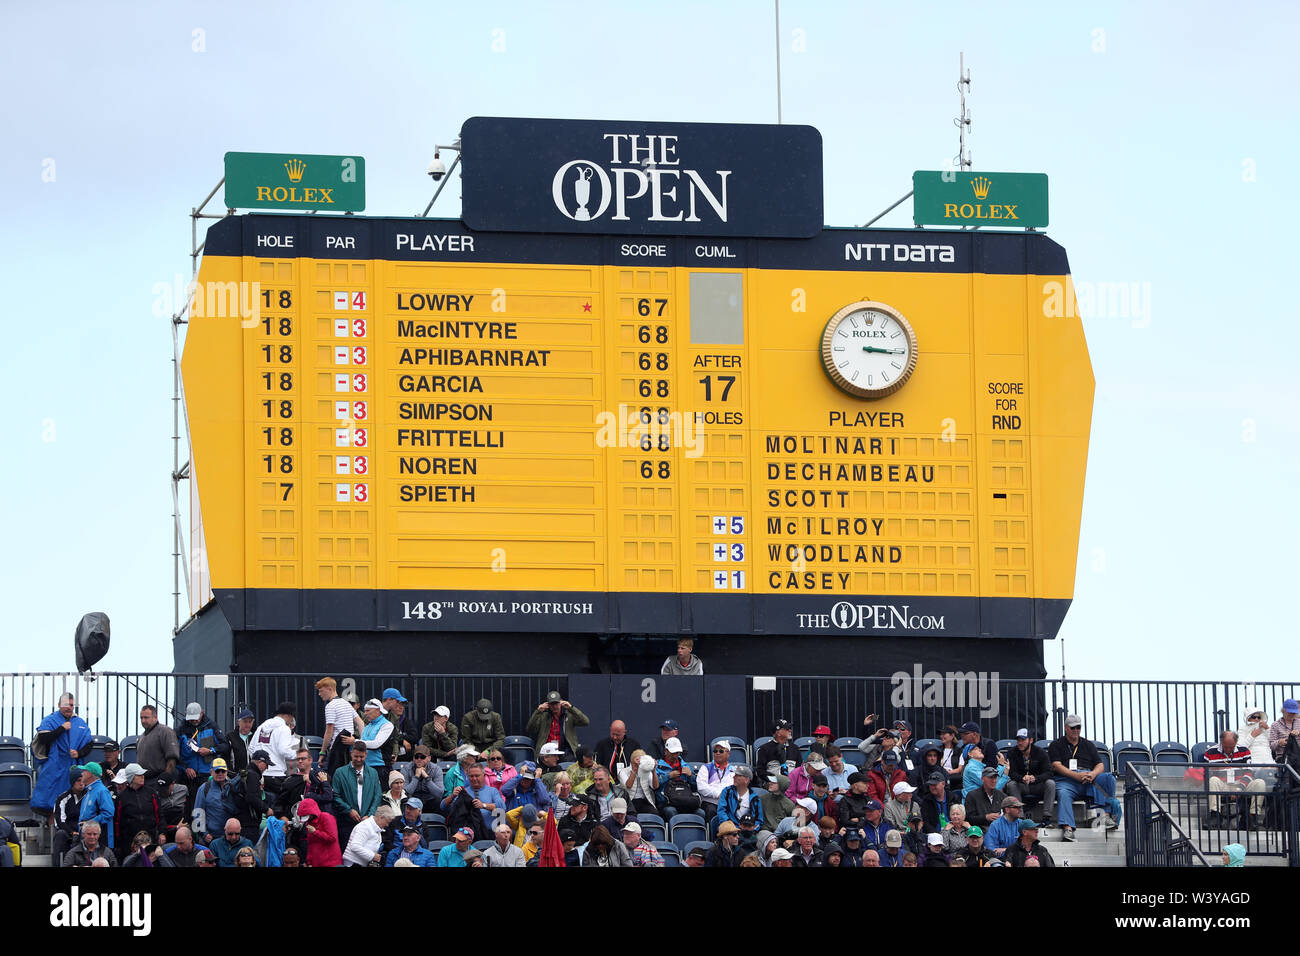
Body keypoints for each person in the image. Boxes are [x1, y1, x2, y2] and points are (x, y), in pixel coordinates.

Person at [1049, 714, 1120, 842]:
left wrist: (1092, 774)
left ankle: (1106, 816)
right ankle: (1068, 829)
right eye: (1073, 727)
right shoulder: (1056, 744)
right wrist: (1075, 775)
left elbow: (1100, 765)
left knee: (1108, 777)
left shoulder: (1088, 744)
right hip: (1066, 780)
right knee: (1063, 793)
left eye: (1078, 727)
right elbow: (1056, 765)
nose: (1076, 730)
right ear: (1066, 728)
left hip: (1088, 779)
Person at [32, 692, 92, 815]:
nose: (68, 707)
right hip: (53, 767)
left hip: (73, 768)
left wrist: (79, 753)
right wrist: (61, 729)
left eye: (71, 705)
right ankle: (53, 829)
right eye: (65, 704)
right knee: (51, 805)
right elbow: (43, 738)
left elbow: (89, 743)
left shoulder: (80, 722)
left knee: (73, 806)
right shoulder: (50, 720)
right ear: (59, 705)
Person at [1205, 729, 1269, 827]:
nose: (1228, 749)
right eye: (1225, 747)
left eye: (1231, 747)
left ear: (1236, 743)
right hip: (1223, 785)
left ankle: (1253, 816)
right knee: (1213, 781)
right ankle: (1215, 816)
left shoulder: (1244, 751)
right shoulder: (1210, 752)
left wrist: (1239, 788)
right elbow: (1207, 774)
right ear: (1221, 742)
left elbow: (1249, 772)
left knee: (1260, 783)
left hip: (1241, 784)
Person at [176, 701, 227, 807]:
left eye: (196, 717)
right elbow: (174, 755)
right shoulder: (180, 730)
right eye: (191, 718)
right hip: (188, 777)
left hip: (206, 775)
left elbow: (225, 746)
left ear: (202, 713)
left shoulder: (211, 726)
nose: (194, 720)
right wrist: (185, 769)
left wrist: (211, 750)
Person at [332, 740, 381, 850]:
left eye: (362, 757)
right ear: (351, 754)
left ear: (366, 755)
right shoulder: (340, 773)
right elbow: (336, 796)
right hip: (346, 823)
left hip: (367, 823)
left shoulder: (373, 773)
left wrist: (370, 814)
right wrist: (349, 810)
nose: (359, 759)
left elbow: (377, 796)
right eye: (356, 756)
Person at [1006, 728, 1056, 826]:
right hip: (1022, 785)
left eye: (1023, 740)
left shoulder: (1040, 752)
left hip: (1037, 785)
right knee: (1011, 784)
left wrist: (1035, 778)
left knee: (1050, 783)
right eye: (1018, 740)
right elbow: (1010, 772)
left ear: (1031, 740)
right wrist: (1021, 778)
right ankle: (1019, 818)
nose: (1020, 743)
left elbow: (1049, 772)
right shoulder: (1012, 752)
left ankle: (1047, 818)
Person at [525, 690, 589, 761]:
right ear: (548, 705)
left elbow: (585, 722)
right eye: (552, 704)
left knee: (568, 763)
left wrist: (571, 708)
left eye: (556, 703)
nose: (554, 706)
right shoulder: (543, 716)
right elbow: (530, 729)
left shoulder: (569, 715)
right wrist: (538, 711)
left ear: (561, 703)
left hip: (565, 752)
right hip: (548, 752)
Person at [113, 764, 159, 862]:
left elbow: (159, 814)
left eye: (142, 774)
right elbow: (117, 822)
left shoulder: (151, 793)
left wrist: (162, 832)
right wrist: (119, 843)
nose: (142, 776)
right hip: (129, 842)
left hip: (150, 838)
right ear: (131, 777)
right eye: (139, 774)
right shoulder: (121, 797)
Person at [249, 701, 299, 794]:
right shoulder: (284, 728)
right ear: (289, 715)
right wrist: (299, 754)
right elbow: (284, 750)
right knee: (280, 805)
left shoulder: (262, 726)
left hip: (259, 775)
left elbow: (251, 748)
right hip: (276, 774)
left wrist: (259, 764)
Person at [442, 760, 503, 831]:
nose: (474, 779)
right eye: (471, 776)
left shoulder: (492, 791)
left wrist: (483, 805)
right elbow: (443, 807)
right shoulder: (463, 792)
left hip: (489, 833)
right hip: (467, 835)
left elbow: (502, 807)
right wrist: (452, 796)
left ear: (484, 775)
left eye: (477, 776)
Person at [317, 677, 362, 773]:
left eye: (321, 691)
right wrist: (361, 742)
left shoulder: (330, 706)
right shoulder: (346, 704)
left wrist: (322, 752)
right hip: (349, 749)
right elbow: (360, 723)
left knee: (335, 780)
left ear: (330, 689)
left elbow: (329, 731)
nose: (319, 694)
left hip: (337, 751)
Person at [276, 748, 334, 818]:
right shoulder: (290, 780)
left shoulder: (322, 775)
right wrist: (282, 816)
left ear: (310, 760)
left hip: (319, 817)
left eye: (303, 759)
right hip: (296, 818)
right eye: (298, 759)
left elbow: (328, 796)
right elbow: (280, 802)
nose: (300, 761)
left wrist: (311, 782)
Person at [654, 737, 697, 817]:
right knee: (671, 811)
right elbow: (654, 786)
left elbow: (696, 787)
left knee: (700, 813)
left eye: (677, 752)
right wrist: (668, 776)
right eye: (673, 752)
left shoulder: (686, 766)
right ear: (666, 751)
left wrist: (691, 776)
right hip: (667, 803)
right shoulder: (657, 766)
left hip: (686, 801)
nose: (675, 755)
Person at [192, 757, 232, 844]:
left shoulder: (233, 787)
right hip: (212, 838)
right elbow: (198, 813)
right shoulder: (204, 789)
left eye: (223, 771)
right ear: (211, 772)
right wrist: (204, 834)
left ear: (227, 771)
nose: (220, 773)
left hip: (231, 836)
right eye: (217, 771)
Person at [136, 704, 180, 782]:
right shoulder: (141, 738)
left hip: (159, 779)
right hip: (145, 780)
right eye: (141, 718)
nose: (143, 721)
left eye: (146, 717)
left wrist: (164, 780)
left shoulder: (166, 732)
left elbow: (172, 759)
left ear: (155, 717)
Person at [77, 762, 116, 850]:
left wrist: (89, 824)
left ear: (91, 774)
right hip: (88, 839)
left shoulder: (101, 791)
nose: (82, 773)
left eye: (84, 771)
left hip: (100, 841)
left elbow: (108, 813)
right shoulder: (90, 791)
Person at [51, 768, 85, 867]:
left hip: (85, 830)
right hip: (68, 831)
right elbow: (59, 821)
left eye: (83, 780)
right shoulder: (62, 798)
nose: (81, 783)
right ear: (73, 782)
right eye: (78, 781)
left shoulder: (89, 796)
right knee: (60, 834)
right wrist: (72, 832)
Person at [716, 764, 763, 830]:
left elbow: (759, 820)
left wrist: (752, 829)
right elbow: (721, 812)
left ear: (747, 780)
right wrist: (731, 827)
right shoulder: (727, 792)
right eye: (735, 775)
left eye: (738, 776)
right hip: (729, 829)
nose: (734, 777)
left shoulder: (755, 798)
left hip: (748, 830)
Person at [298, 797, 341, 868]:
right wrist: (309, 862)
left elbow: (332, 838)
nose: (306, 818)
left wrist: (315, 832)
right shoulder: (309, 823)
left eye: (306, 815)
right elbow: (310, 844)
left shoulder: (326, 817)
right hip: (316, 862)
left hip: (330, 862)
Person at [697, 741, 736, 817]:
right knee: (712, 811)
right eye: (715, 751)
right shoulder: (706, 767)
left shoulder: (733, 770)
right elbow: (701, 787)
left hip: (728, 803)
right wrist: (718, 794)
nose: (717, 753)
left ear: (728, 754)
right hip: (710, 803)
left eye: (721, 751)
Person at [755, 718, 801, 783]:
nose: (790, 730)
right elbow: (760, 771)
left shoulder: (795, 748)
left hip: (792, 785)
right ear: (778, 733)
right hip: (772, 784)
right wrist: (773, 779)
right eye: (787, 729)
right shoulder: (765, 749)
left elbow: (799, 769)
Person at [381, 687, 416, 769]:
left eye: (402, 705)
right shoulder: (376, 712)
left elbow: (396, 737)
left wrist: (395, 753)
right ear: (389, 700)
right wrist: (403, 740)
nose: (400, 707)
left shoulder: (394, 717)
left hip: (389, 755)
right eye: (397, 702)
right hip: (377, 754)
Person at [965, 764, 1009, 829]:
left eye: (995, 778)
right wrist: (985, 817)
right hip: (980, 831)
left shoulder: (1002, 796)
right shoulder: (972, 795)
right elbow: (968, 818)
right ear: (982, 779)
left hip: (1000, 829)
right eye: (990, 777)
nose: (994, 781)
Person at [226, 709, 255, 774]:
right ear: (238, 722)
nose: (247, 724)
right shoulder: (230, 737)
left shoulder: (255, 736)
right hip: (236, 776)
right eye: (245, 721)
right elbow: (226, 757)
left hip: (253, 776)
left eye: (250, 722)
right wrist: (231, 774)